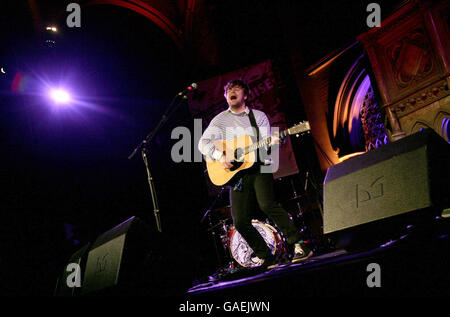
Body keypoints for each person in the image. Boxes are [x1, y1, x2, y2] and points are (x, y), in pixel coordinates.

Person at [198, 79, 312, 269]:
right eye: (228, 90)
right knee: (240, 220)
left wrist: (275, 141)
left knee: (267, 204)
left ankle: (299, 245)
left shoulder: (258, 117)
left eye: (236, 89)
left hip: (260, 166)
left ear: (246, 95)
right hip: (237, 174)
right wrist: (220, 156)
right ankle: (266, 256)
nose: (231, 92)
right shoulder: (219, 120)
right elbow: (203, 143)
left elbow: (265, 144)